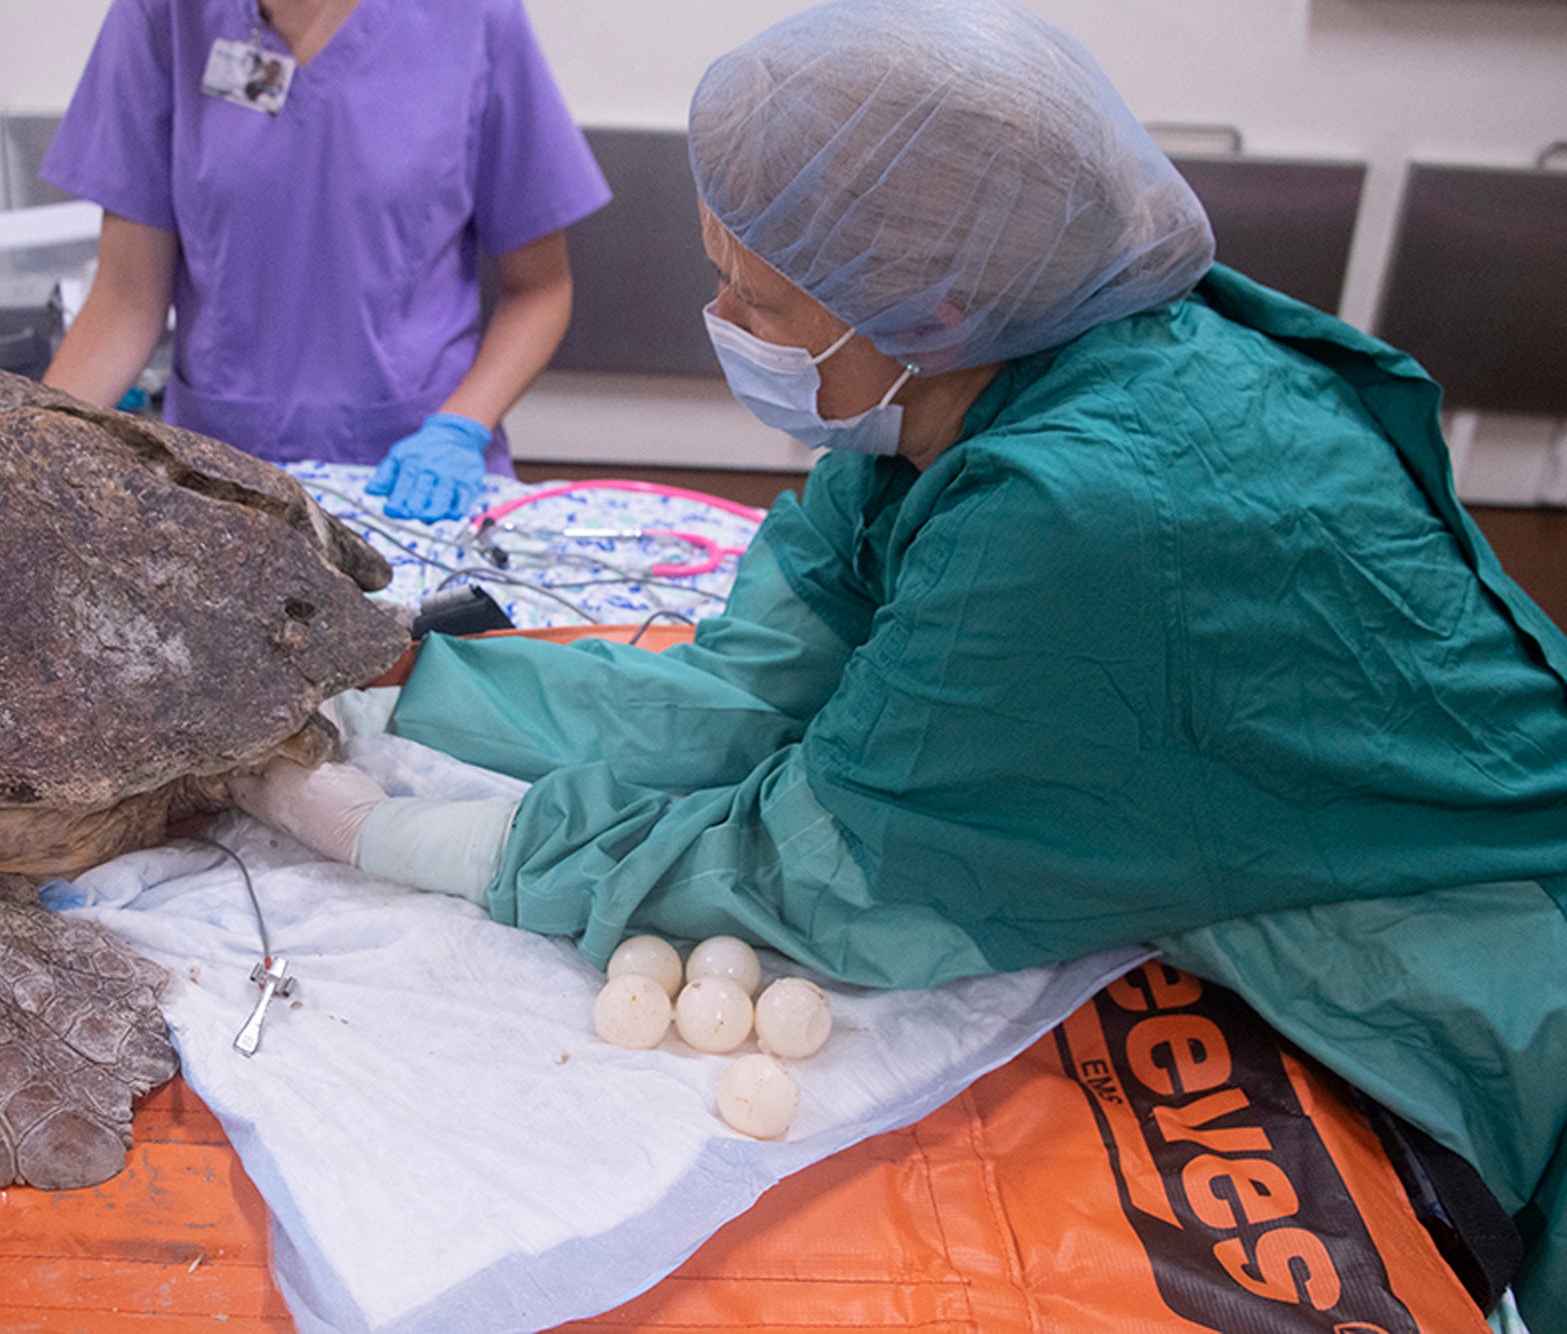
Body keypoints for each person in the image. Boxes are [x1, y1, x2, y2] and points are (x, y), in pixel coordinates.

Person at [231, 0, 1567, 1318]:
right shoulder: (966, 386)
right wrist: (400, 675)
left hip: (1478, 979)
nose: (721, 314)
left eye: (754, 295)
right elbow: (745, 692)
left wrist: (395, 838)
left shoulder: (1081, 516)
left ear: (927, 297)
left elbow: (821, 868)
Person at [39, 0, 611, 521]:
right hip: (220, 483)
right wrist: (26, 448)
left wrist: (459, 429)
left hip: (414, 484)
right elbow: (125, 301)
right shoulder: (164, 16)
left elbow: (538, 291)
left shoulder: (474, 19)